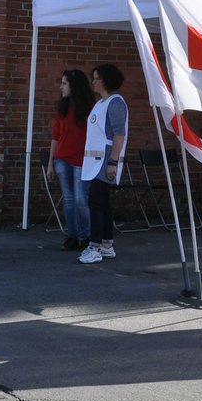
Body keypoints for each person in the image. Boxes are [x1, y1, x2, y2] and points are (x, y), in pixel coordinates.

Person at [78, 63, 128, 265]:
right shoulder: (100, 103)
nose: (93, 82)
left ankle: (95, 246)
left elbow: (119, 134)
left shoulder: (116, 103)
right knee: (103, 204)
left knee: (96, 204)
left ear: (106, 80)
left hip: (104, 162)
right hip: (95, 162)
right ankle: (106, 245)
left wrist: (113, 162)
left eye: (97, 78)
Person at [47, 68, 94, 251]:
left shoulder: (90, 107)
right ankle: (73, 236)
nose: (61, 87)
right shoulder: (62, 107)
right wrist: (51, 162)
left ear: (74, 85)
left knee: (82, 199)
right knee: (69, 200)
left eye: (65, 83)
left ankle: (87, 236)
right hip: (62, 159)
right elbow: (55, 136)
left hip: (82, 160)